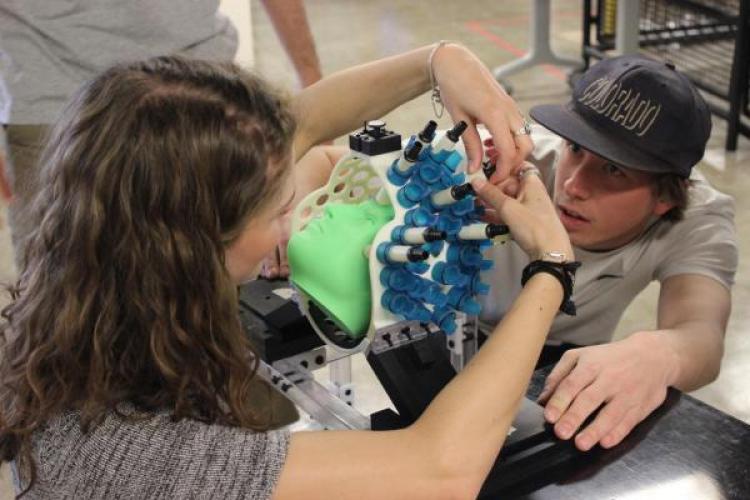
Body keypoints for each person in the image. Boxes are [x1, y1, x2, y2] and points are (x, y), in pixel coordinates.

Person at [0, 43, 564, 498]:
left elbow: (304, 120)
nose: (287, 228)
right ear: (199, 242)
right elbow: (438, 472)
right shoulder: (136, 456)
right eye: (277, 211)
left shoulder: (81, 290)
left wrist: (441, 60)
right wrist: (549, 267)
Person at [476, 55, 738, 453]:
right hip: (454, 329)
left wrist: (660, 353)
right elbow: (360, 167)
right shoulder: (518, 159)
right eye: (576, 149)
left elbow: (701, 335)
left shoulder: (699, 218)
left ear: (666, 197)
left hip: (555, 360)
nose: (574, 185)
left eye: (614, 170)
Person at [0, 0, 323, 268]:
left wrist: (309, 76)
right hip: (53, 94)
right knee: (64, 300)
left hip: (200, 91)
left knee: (215, 291)